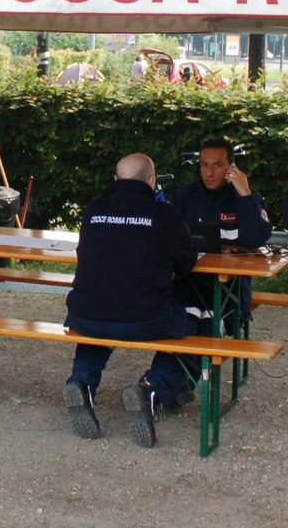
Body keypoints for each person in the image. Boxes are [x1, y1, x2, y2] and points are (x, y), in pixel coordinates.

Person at [61, 153, 197, 449]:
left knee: (102, 316)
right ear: (152, 181)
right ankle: (152, 388)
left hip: (84, 314)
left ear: (115, 180)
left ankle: (81, 382)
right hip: (144, 319)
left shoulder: (94, 209)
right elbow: (188, 262)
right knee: (195, 324)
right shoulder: (165, 215)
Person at [168, 137, 273, 401]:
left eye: (217, 165)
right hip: (191, 283)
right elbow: (165, 236)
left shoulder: (245, 196)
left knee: (209, 326)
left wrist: (245, 194)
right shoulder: (184, 196)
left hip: (231, 288)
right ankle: (170, 384)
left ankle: (173, 384)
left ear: (230, 168)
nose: (209, 172)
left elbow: (257, 237)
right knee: (183, 323)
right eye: (204, 165)